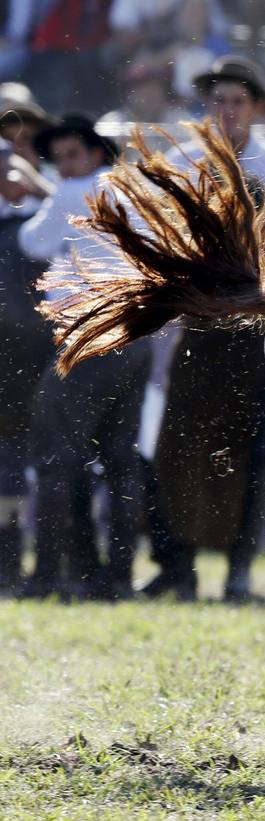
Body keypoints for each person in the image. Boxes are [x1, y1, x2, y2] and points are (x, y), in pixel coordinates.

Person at [140, 56, 265, 602]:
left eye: (238, 101)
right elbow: (155, 239)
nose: (227, 111)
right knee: (176, 446)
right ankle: (176, 567)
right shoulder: (181, 160)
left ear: (256, 108)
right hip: (198, 326)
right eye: (218, 101)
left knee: (253, 451)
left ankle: (239, 570)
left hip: (257, 330)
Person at [16, 114, 150, 599]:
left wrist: (38, 188)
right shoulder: (131, 189)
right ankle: (115, 578)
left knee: (54, 457)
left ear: (96, 153)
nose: (66, 165)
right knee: (120, 459)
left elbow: (34, 241)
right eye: (60, 159)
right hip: (135, 332)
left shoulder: (73, 192)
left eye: (73, 155)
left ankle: (51, 574)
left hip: (89, 333)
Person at [0, 84, 55, 591]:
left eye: (22, 130)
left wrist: (32, 182)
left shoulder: (53, 183)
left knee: (35, 445)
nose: (14, 141)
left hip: (37, 338)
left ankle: (42, 560)